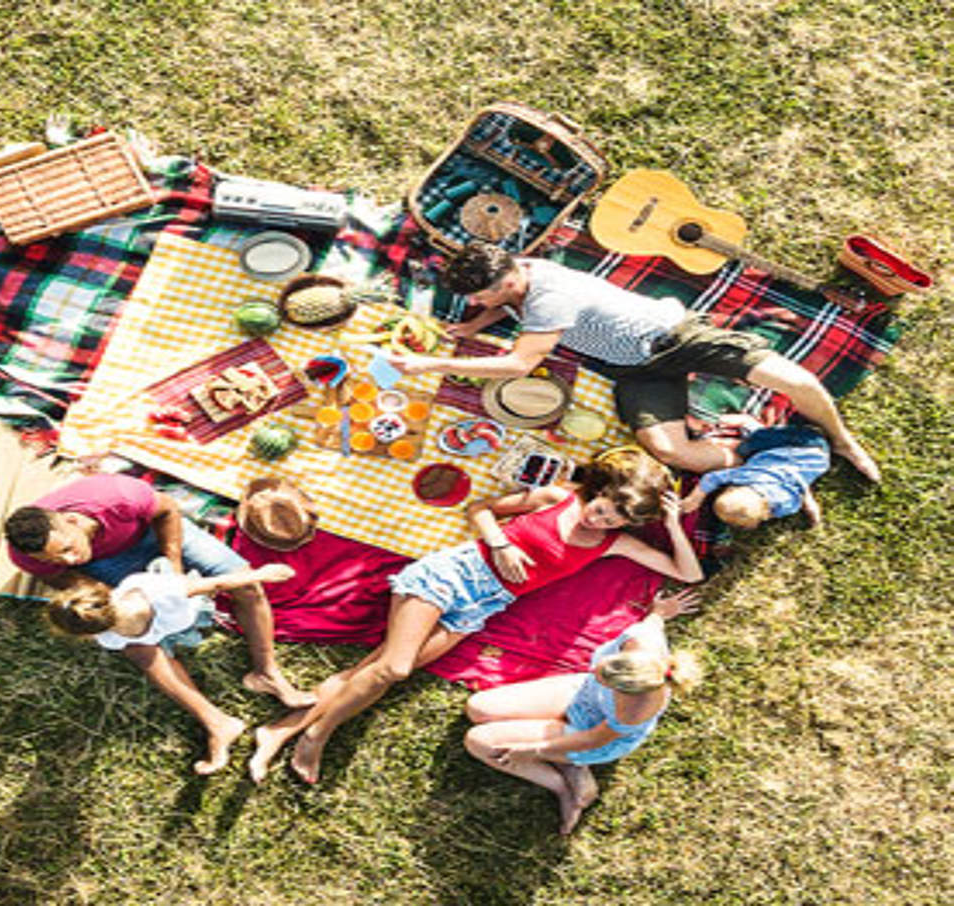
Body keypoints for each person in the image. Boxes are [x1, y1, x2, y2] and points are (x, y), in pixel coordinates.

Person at [248, 448, 704, 785]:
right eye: (604, 507)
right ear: (598, 490)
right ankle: (317, 737)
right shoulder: (554, 497)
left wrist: (668, 527)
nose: (601, 520)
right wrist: (501, 543)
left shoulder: (613, 543)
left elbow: (689, 572)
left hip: (484, 604)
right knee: (395, 667)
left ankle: (279, 731)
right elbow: (479, 509)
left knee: (371, 668)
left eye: (616, 519)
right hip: (453, 574)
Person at [384, 240, 879, 482]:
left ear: (508, 278)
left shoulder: (547, 297)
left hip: (674, 337)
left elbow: (517, 365)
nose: (478, 304)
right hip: (633, 369)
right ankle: (768, 451)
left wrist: (426, 368)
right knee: (673, 453)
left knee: (798, 381)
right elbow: (504, 302)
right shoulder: (521, 270)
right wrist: (473, 327)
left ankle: (841, 439)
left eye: (483, 296)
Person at [4, 473, 313, 709]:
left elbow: (167, 512)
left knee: (247, 583)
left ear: (71, 520)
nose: (70, 559)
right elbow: (70, 580)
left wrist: (173, 569)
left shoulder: (115, 496)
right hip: (108, 566)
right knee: (132, 639)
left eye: (68, 548)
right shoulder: (25, 555)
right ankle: (214, 720)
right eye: (54, 558)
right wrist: (124, 600)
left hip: (152, 534)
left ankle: (266, 672)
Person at [462, 587, 702, 835]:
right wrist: (660, 613)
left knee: (479, 741)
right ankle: (567, 764)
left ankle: (561, 786)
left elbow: (592, 739)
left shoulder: (636, 709)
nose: (595, 670)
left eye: (604, 680)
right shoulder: (641, 639)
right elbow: (652, 623)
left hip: (591, 735)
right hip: (583, 694)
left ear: (626, 692)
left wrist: (532, 751)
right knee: (478, 708)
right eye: (602, 668)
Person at [46, 560, 297, 774]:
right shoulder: (113, 636)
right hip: (172, 627)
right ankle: (218, 723)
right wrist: (262, 574)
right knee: (142, 656)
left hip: (191, 611)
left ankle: (220, 721)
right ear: (101, 591)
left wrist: (260, 575)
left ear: (87, 635)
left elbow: (214, 585)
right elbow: (217, 584)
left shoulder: (155, 592)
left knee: (142, 649)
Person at [680, 421, 830, 528]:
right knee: (744, 449)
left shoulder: (786, 505)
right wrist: (696, 498)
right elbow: (711, 478)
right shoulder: (744, 475)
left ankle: (751, 425)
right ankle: (750, 426)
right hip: (801, 443)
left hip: (819, 456)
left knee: (744, 450)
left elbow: (800, 490)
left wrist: (810, 506)